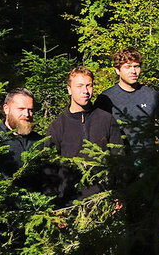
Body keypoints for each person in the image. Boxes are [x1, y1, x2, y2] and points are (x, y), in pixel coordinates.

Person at [46, 67, 123, 206]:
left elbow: (119, 159)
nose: (85, 91)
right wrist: (54, 206)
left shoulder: (106, 120)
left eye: (89, 85)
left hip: (105, 200)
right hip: (70, 203)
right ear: (69, 89)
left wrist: (119, 193)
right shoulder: (57, 127)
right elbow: (49, 170)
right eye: (79, 86)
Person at [95, 47, 159, 154]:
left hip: (149, 162)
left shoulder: (153, 96)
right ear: (117, 70)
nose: (133, 71)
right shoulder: (105, 99)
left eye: (136, 66)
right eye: (127, 67)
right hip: (118, 162)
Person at [0, 88, 43, 184]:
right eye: (21, 109)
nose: (26, 114)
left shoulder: (40, 142)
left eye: (30, 110)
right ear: (6, 109)